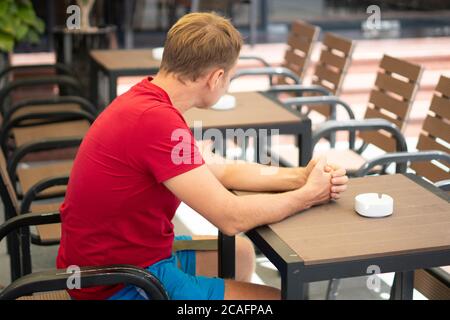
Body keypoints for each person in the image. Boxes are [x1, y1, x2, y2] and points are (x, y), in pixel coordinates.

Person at [56, 12, 348, 300]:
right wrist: (309, 195)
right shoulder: (156, 122)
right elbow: (230, 217)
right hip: (119, 283)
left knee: (241, 253)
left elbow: (220, 170)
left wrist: (300, 176)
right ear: (216, 77)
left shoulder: (149, 100)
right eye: (230, 77)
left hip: (114, 262)